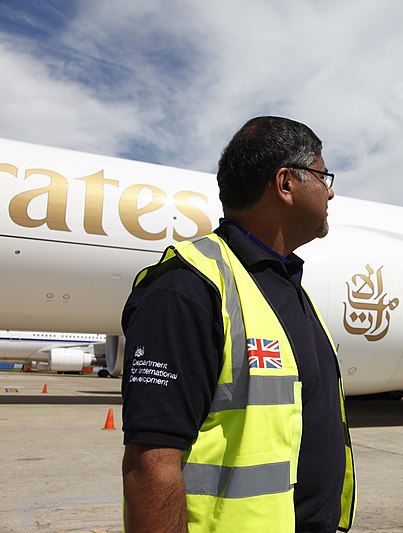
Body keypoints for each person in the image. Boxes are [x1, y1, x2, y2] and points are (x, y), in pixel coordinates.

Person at [120, 116, 356, 532]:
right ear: (286, 184)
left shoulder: (287, 289)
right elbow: (152, 462)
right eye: (323, 175)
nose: (331, 190)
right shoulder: (186, 289)